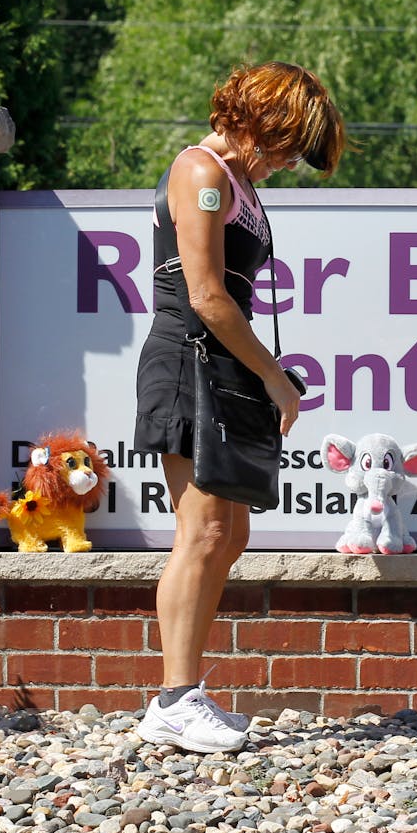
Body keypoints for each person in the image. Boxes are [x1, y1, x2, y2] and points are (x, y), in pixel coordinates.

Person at [133, 62, 346, 753]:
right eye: (286, 144)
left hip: (223, 366)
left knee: (229, 535)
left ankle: (183, 694)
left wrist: (256, 377)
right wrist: (277, 379)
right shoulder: (199, 172)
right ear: (258, 118)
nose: (287, 161)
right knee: (200, 533)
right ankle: (173, 699)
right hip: (188, 360)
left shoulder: (240, 182)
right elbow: (207, 295)